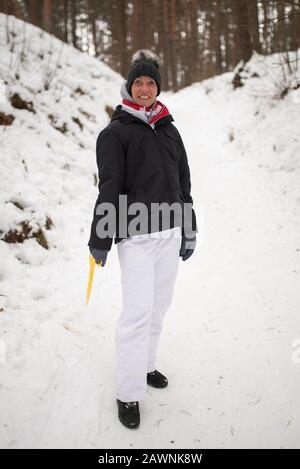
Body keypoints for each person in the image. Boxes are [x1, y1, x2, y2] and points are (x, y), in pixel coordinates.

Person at [88, 49, 197, 429]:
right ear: (129, 87)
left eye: (151, 82)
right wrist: (101, 237)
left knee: (159, 306)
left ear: (158, 87)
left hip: (168, 232)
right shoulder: (115, 132)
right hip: (135, 238)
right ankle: (128, 392)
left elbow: (183, 183)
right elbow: (110, 188)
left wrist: (188, 226)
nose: (146, 88)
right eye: (139, 82)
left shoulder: (169, 128)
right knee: (136, 313)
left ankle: (146, 366)